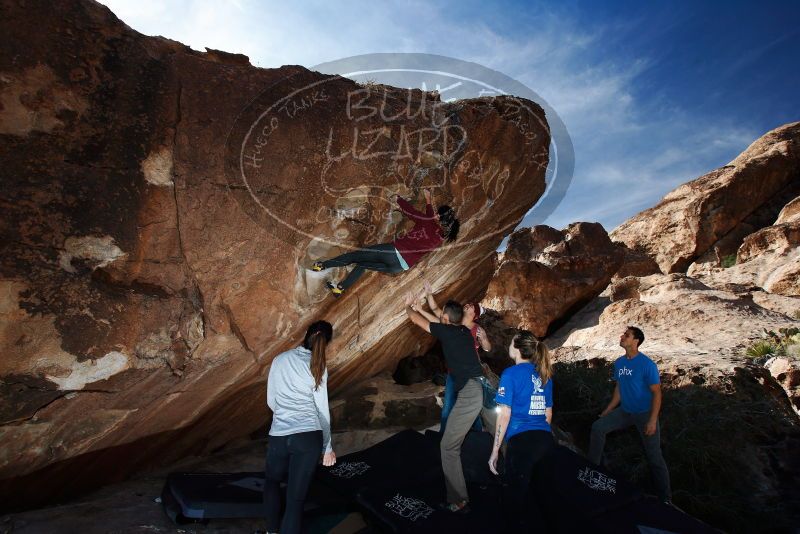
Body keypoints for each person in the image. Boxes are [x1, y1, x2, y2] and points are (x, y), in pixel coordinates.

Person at [405, 296, 496, 514]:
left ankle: (459, 499)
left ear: (446, 319)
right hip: (485, 388)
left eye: (442, 315)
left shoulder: (450, 332)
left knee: (448, 447)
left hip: (472, 392)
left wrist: (407, 307)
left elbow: (418, 321)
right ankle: (516, 474)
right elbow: (436, 318)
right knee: (498, 433)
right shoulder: (464, 332)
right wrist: (426, 306)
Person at [312, 190, 459, 296]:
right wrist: (428, 201)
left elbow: (411, 212)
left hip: (392, 253)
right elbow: (429, 219)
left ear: (438, 217)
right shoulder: (439, 237)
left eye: (437, 214)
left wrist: (398, 199)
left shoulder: (429, 223)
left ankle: (321, 266)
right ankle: (340, 288)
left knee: (354, 256)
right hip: (399, 267)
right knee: (362, 265)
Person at [264, 321, 337, 534]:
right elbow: (322, 410)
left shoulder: (280, 359)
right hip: (308, 436)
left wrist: (284, 418)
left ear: (307, 334)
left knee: (271, 482)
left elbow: (271, 401)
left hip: (279, 435)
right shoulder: (318, 367)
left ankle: (271, 532)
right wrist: (327, 447)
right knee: (295, 501)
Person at [588, 326, 672, 503]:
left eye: (626, 335)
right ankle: (591, 471)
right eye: (623, 334)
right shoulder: (619, 363)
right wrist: (607, 411)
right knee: (598, 427)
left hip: (645, 414)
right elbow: (619, 389)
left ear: (636, 341)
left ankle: (666, 499)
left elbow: (657, 393)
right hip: (625, 412)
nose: (622, 337)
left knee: (654, 457)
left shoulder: (647, 365)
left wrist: (652, 420)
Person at [488, 330, 554, 530]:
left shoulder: (510, 374)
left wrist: (495, 450)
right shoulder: (544, 374)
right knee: (544, 496)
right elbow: (548, 413)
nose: (509, 346)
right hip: (545, 440)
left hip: (522, 442)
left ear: (516, 348)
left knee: (513, 499)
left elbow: (505, 414)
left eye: (510, 343)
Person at [411, 281, 492, 432]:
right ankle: (444, 434)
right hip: (453, 372)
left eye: (470, 307)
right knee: (448, 405)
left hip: (470, 374)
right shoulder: (455, 323)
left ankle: (477, 435)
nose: (467, 305)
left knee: (471, 409)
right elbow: (437, 314)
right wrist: (429, 294)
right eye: (467, 304)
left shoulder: (476, 329)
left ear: (474, 315)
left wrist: (484, 339)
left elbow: (487, 348)